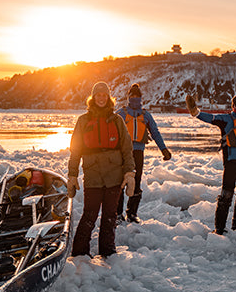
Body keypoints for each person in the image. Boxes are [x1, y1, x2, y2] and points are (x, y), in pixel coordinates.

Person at [67, 82, 135, 258]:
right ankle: (80, 253)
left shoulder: (117, 120)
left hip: (114, 175)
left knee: (110, 216)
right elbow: (76, 150)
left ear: (108, 98)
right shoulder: (83, 121)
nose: (101, 98)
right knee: (89, 214)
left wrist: (129, 173)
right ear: (93, 98)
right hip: (93, 175)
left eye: (104, 95)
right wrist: (72, 175)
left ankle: (108, 251)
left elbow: (127, 148)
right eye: (98, 95)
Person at [186, 93, 236, 235]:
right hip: (231, 163)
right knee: (226, 196)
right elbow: (211, 118)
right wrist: (196, 112)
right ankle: (220, 228)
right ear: (232, 107)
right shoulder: (226, 119)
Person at [115, 83, 172, 223]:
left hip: (138, 153)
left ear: (141, 98)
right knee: (120, 182)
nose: (135, 99)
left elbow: (155, 133)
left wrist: (164, 149)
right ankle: (117, 214)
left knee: (136, 182)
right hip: (122, 153)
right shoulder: (121, 113)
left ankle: (132, 213)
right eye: (132, 96)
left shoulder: (146, 115)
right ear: (128, 97)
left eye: (137, 96)